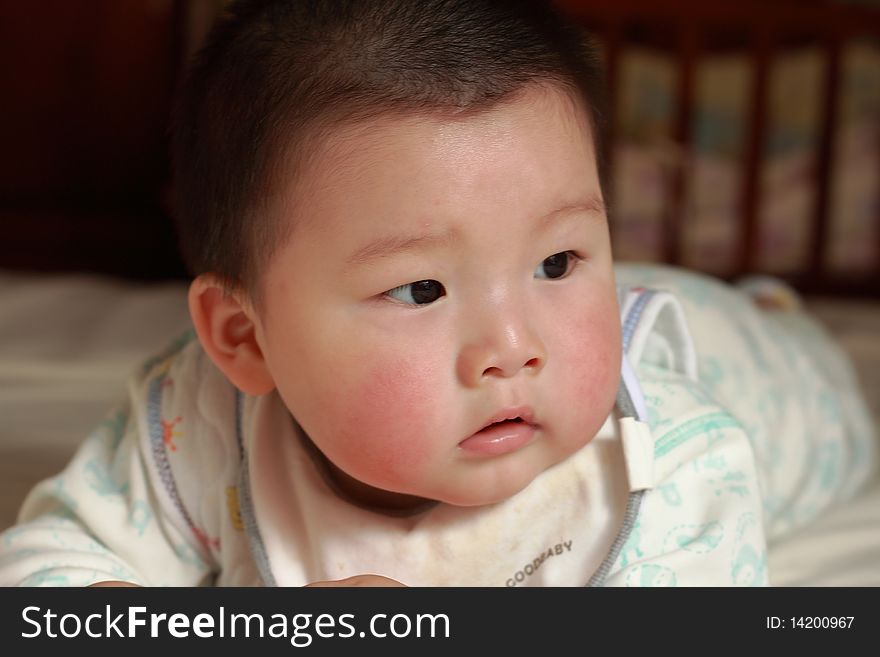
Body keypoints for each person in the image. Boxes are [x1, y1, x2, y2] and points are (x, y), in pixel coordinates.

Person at [0, 0, 875, 587]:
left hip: (770, 377)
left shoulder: (675, 466)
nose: (512, 344)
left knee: (752, 341)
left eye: (562, 258)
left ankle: (756, 307)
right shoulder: (194, 420)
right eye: (421, 288)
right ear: (246, 339)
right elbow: (48, 580)